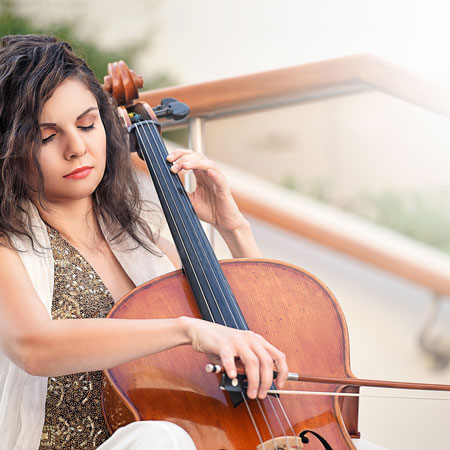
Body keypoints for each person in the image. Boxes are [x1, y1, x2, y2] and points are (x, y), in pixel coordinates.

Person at [0, 34, 387, 450]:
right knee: (157, 438)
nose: (77, 148)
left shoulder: (141, 243)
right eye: (46, 136)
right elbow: (33, 347)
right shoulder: (8, 245)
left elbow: (257, 333)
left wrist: (233, 228)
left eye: (87, 124)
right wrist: (186, 330)